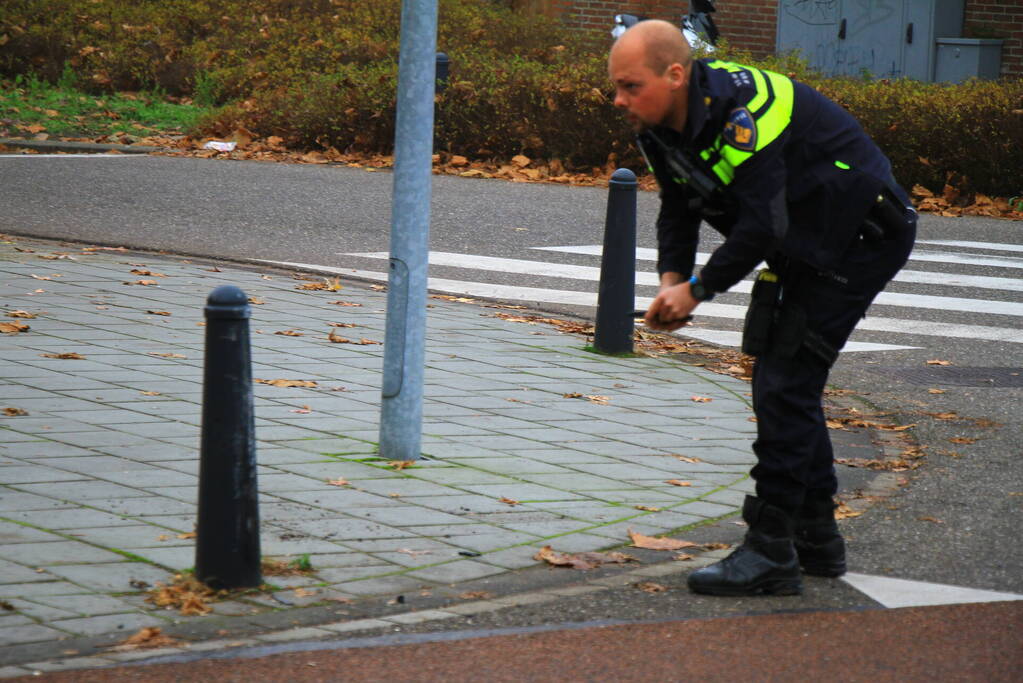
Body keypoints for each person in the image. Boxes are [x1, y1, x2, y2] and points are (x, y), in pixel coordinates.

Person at [608, 20, 916, 596]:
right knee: (780, 379)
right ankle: (815, 538)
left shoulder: (744, 114)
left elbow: (760, 225)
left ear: (675, 75)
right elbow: (678, 206)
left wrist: (698, 289)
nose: (619, 99)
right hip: (807, 240)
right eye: (617, 87)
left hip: (860, 236)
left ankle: (771, 549)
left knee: (785, 384)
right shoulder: (659, 123)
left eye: (630, 85)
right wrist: (670, 279)